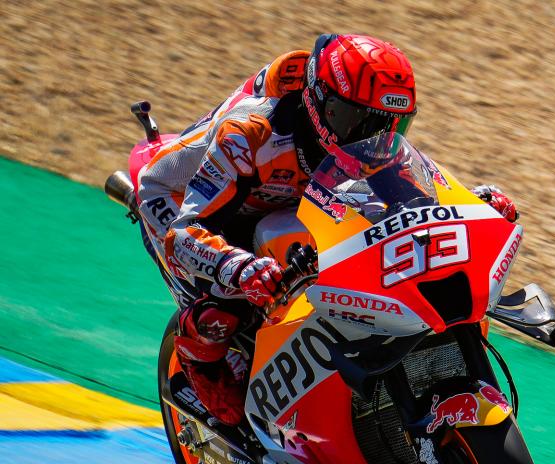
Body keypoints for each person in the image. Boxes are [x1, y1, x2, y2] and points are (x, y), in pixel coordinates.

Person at [137, 33, 518, 426]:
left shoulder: (366, 142)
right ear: (318, 101)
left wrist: (472, 208)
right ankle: (200, 356)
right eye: (357, 120)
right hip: (179, 200)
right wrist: (240, 267)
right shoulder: (250, 134)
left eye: (390, 125)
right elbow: (186, 232)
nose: (372, 138)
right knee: (233, 297)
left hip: (281, 202)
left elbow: (414, 205)